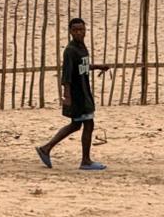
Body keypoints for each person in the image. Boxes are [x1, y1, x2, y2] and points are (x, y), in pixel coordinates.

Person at [36, 17, 109, 171]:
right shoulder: (70, 50)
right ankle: (85, 161)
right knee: (88, 123)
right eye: (75, 30)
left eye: (81, 30)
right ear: (70, 32)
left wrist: (97, 67)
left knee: (76, 125)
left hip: (84, 91)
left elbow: (82, 66)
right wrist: (67, 96)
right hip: (77, 93)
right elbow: (67, 75)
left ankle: (46, 148)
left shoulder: (81, 47)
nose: (79, 33)